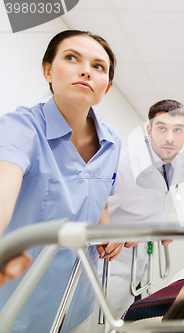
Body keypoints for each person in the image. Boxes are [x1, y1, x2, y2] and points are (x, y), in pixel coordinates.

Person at [0, 30, 123, 332]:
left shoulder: (112, 141)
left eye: (98, 66)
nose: (86, 70)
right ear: (48, 71)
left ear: (105, 87)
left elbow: (98, 191)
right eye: (71, 58)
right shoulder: (21, 127)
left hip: (76, 298)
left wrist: (108, 226)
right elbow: (5, 183)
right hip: (19, 302)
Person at [104, 99, 184, 318]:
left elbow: (167, 196)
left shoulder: (181, 162)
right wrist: (117, 234)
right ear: (150, 130)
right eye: (162, 128)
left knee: (134, 317)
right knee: (107, 321)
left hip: (142, 264)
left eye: (177, 130)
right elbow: (94, 211)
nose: (170, 138)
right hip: (112, 267)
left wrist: (166, 225)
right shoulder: (124, 164)